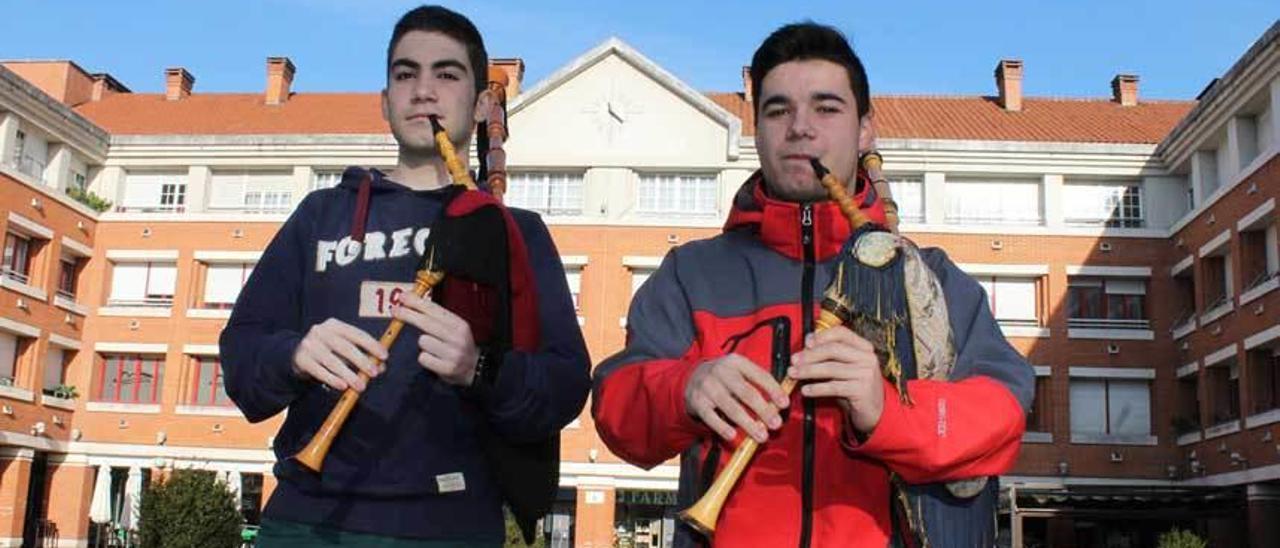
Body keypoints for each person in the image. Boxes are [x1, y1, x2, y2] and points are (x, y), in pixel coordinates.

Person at [592, 22, 1033, 547]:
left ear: (866, 129)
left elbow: (1004, 415)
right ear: (756, 130)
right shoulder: (691, 273)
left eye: (826, 108)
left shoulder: (933, 277)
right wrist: (682, 389)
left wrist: (885, 410)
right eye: (778, 110)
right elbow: (615, 409)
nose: (800, 127)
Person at [219, 5, 591, 546]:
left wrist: (479, 368)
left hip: (451, 525)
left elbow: (564, 386)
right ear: (385, 101)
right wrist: (294, 354)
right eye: (405, 74)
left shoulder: (517, 231)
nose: (423, 90)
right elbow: (240, 354)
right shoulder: (320, 213)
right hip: (305, 519)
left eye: (447, 73)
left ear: (482, 101)